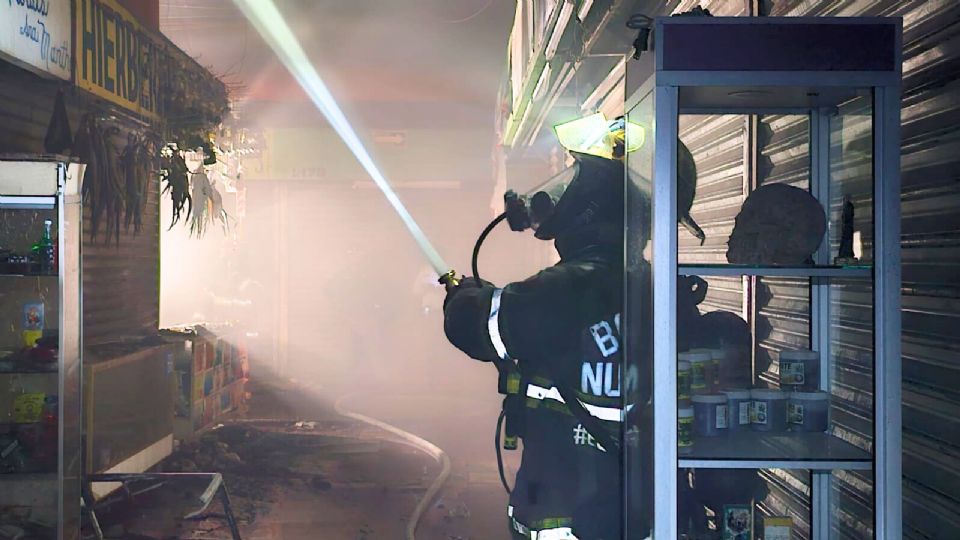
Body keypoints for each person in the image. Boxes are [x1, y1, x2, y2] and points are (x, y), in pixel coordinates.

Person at [442, 115, 705, 538]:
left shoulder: (574, 284)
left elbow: (478, 326)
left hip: (567, 511)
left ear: (594, 200)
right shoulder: (646, 284)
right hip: (633, 511)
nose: (560, 188)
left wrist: (465, 295)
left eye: (575, 176)